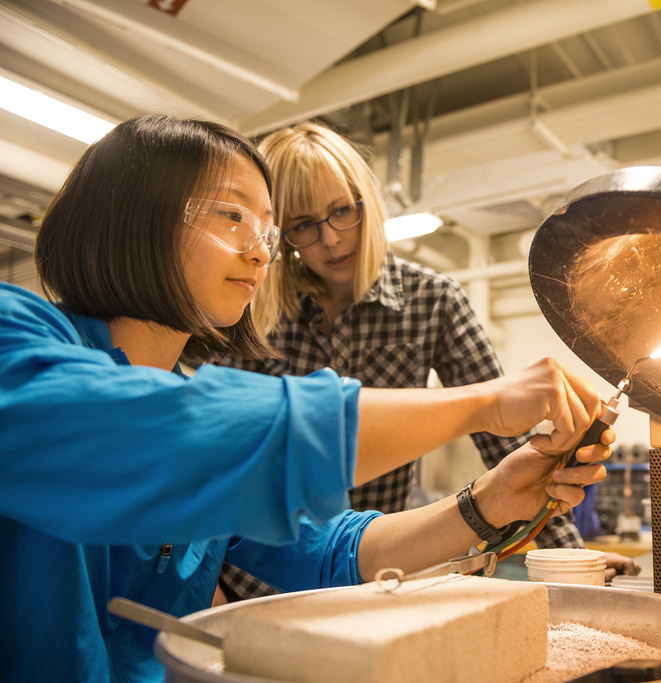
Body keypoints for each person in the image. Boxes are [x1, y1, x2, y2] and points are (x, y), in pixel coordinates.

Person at [0, 113, 613, 682]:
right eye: (231, 216)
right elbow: (176, 437)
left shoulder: (186, 404)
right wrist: (482, 402)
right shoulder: (13, 335)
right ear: (131, 215)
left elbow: (333, 549)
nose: (260, 250)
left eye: (266, 229)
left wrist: (491, 499)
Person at [208, 121, 639, 600]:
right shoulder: (249, 304)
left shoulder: (432, 300)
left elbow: (517, 456)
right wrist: (207, 587)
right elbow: (226, 460)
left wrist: (568, 561)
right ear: (281, 232)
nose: (329, 239)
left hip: (371, 569)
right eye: (304, 225)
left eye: (342, 213)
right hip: (254, 578)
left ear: (367, 204)